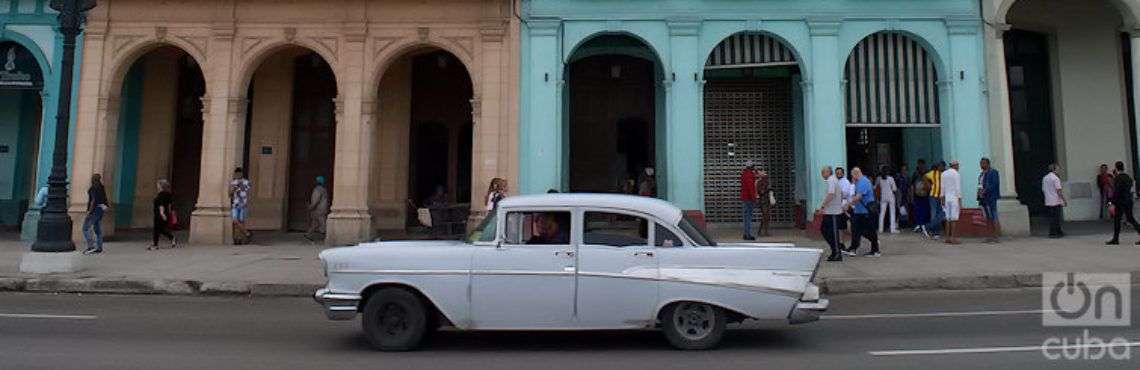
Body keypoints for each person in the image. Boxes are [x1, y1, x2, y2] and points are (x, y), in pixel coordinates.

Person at [844, 167, 881, 257]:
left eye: (852, 175)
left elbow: (858, 197)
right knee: (856, 230)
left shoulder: (863, 182)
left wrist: (848, 204)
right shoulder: (858, 182)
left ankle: (875, 249)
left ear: (856, 174)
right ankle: (853, 248)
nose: (852, 177)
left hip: (866, 212)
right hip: (859, 211)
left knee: (868, 231)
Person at [1107, 161, 1140, 245]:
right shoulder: (1127, 177)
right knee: (1130, 218)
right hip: (1128, 200)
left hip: (1120, 202)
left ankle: (1115, 239)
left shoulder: (1118, 178)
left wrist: (1111, 202)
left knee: (1117, 220)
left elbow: (1117, 192)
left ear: (1116, 168)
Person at [817, 166, 845, 262]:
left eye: (823, 173)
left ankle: (837, 253)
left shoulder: (831, 180)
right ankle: (834, 250)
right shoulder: (832, 180)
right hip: (829, 211)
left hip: (833, 212)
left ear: (828, 172)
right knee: (824, 230)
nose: (822, 175)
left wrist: (823, 206)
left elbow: (831, 194)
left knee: (833, 233)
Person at [82, 174, 110, 255]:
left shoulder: (94, 188)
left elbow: (93, 201)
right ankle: (99, 247)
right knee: (97, 228)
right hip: (101, 209)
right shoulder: (101, 187)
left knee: (85, 228)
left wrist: (89, 211)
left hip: (94, 210)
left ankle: (91, 246)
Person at [978, 157, 1002, 243]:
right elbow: (980, 184)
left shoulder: (993, 172)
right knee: (987, 217)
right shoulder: (981, 174)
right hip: (983, 198)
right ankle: (989, 236)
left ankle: (996, 236)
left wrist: (986, 190)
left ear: (988, 164)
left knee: (993, 216)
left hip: (991, 198)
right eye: (981, 163)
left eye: (983, 163)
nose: (981, 165)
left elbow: (994, 184)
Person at [1042, 163, 1066, 238]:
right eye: (1058, 169)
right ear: (1054, 169)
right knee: (1056, 218)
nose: (1059, 170)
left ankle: (1054, 232)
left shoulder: (1045, 178)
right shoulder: (1056, 178)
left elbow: (1043, 189)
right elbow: (1059, 190)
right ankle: (1056, 232)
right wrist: (1063, 200)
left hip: (1048, 200)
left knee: (1051, 217)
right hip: (1056, 200)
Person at [151, 179, 176, 250]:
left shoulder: (161, 195)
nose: (157, 186)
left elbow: (161, 205)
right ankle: (172, 238)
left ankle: (155, 245)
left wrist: (162, 213)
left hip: (159, 214)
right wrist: (169, 213)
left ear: (161, 186)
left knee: (157, 229)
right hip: (166, 214)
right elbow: (170, 205)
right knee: (161, 229)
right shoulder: (168, 194)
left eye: (158, 185)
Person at [941, 160, 962, 244]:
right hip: (954, 198)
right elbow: (958, 188)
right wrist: (960, 200)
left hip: (947, 198)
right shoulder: (956, 174)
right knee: (953, 218)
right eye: (958, 165)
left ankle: (947, 237)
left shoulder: (944, 174)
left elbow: (942, 187)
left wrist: (942, 198)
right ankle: (953, 237)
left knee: (948, 218)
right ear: (955, 165)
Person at [229, 167, 252, 245]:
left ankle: (239, 239)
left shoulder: (246, 182)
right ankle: (247, 233)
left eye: (239, 173)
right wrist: (233, 189)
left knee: (241, 221)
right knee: (235, 221)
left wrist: (247, 202)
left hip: (243, 204)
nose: (238, 175)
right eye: (237, 174)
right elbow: (230, 194)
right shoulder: (233, 183)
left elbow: (248, 193)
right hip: (235, 204)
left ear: (242, 173)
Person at [924, 161, 945, 239]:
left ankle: (931, 229)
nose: (940, 167)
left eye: (941, 166)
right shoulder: (933, 173)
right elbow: (925, 176)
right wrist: (928, 185)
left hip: (941, 197)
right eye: (939, 166)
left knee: (940, 214)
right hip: (933, 196)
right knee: (934, 213)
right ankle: (933, 231)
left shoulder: (944, 174)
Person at [306, 176, 330, 241]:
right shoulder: (323, 189)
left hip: (319, 209)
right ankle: (309, 234)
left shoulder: (317, 190)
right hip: (322, 209)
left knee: (322, 223)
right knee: (315, 223)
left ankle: (326, 236)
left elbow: (315, 200)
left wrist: (310, 207)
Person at [876, 166, 899, 234]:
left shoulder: (879, 179)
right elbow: (894, 189)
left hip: (883, 197)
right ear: (888, 171)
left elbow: (876, 187)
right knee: (892, 212)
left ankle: (880, 229)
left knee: (882, 213)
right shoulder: (891, 178)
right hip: (891, 196)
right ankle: (892, 229)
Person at [740, 160, 758, 240]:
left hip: (745, 198)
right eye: (753, 166)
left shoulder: (744, 174)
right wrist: (754, 198)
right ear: (751, 167)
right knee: (748, 217)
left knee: (746, 217)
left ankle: (745, 233)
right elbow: (750, 188)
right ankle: (748, 235)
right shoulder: (749, 175)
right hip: (749, 198)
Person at [912, 160, 931, 235]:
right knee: (918, 210)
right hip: (917, 195)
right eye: (919, 165)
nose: (920, 166)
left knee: (925, 210)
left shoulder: (928, 173)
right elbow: (912, 185)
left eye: (921, 165)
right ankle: (919, 224)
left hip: (926, 194)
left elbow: (930, 184)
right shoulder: (916, 174)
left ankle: (925, 225)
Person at [756, 170, 772, 237]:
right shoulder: (759, 182)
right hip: (763, 201)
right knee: (765, 216)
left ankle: (764, 231)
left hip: (767, 201)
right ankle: (763, 231)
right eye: (765, 176)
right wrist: (767, 188)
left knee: (767, 216)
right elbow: (761, 191)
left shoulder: (767, 182)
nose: (766, 177)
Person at [896, 164, 910, 228]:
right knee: (900, 208)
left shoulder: (907, 178)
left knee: (906, 209)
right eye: (903, 170)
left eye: (905, 170)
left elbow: (909, 187)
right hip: (900, 194)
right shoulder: (899, 178)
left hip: (905, 194)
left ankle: (905, 223)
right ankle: (901, 223)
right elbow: (897, 188)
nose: (904, 171)